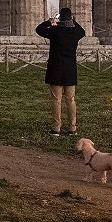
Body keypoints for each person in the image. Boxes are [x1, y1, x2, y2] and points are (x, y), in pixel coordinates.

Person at [35, 7, 85, 136]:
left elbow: (39, 30)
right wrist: (74, 21)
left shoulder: (55, 31)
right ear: (71, 18)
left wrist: (49, 21)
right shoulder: (75, 32)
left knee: (56, 100)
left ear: (60, 18)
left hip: (55, 69)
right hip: (70, 70)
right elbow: (82, 31)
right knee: (71, 99)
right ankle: (72, 128)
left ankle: (56, 128)